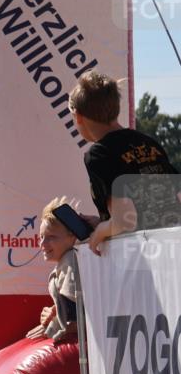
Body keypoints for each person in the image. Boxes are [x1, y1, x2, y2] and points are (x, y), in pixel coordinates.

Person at [71, 72, 180, 254]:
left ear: (78, 116)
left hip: (139, 257)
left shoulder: (99, 154)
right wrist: (103, 222)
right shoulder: (148, 142)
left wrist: (100, 231)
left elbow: (124, 221)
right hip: (172, 249)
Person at [26, 197, 79, 345]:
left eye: (51, 237)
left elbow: (73, 323)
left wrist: (49, 329)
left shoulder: (70, 261)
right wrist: (56, 312)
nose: (42, 244)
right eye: (41, 237)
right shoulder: (70, 259)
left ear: (73, 237)